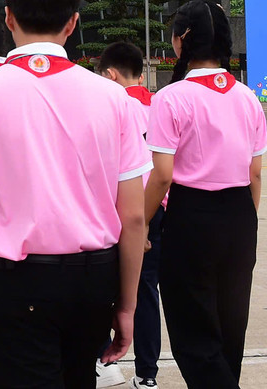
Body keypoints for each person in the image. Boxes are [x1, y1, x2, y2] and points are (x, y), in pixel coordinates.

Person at [0, 0, 148, 389]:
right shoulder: (114, 98)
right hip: (96, 280)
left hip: (21, 282)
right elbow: (135, 218)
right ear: (73, 23)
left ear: (8, 17)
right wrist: (126, 304)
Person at [143, 1, 266, 389]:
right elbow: (255, 172)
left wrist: (140, 223)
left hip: (192, 216)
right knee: (230, 334)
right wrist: (244, 218)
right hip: (240, 214)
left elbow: (162, 176)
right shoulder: (247, 97)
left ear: (180, 41)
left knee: (193, 336)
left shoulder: (171, 98)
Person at [94, 41, 160, 389]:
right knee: (147, 292)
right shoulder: (160, 103)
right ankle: (147, 373)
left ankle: (105, 361)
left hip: (129, 210)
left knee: (109, 288)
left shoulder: (117, 105)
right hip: (160, 207)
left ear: (111, 74)